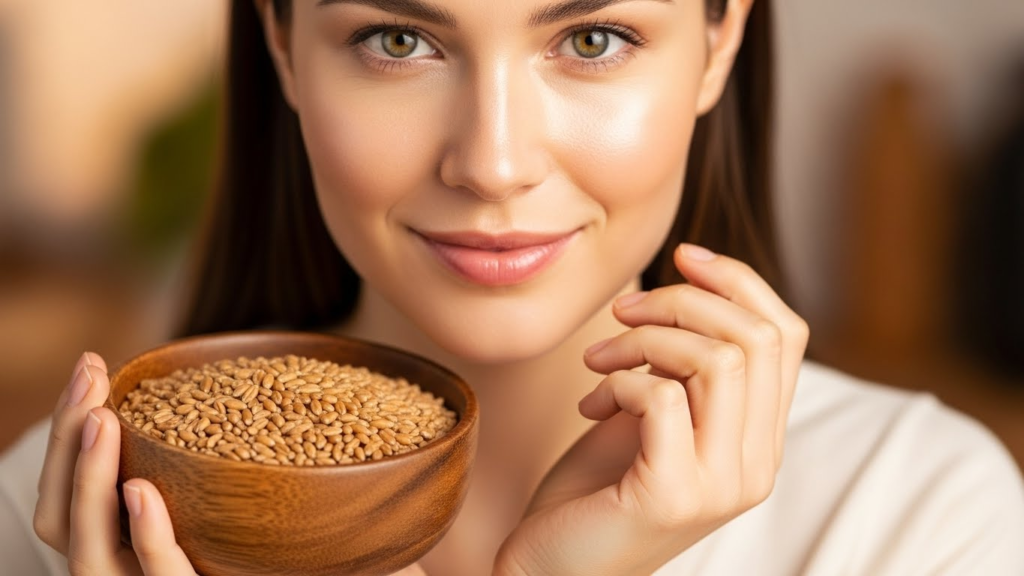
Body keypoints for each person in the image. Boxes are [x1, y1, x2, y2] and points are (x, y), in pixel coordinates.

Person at [3, 0, 1023, 574]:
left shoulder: (916, 514)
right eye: (397, 40)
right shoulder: (60, 508)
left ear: (719, 43)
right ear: (282, 45)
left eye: (592, 40)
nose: (493, 163)